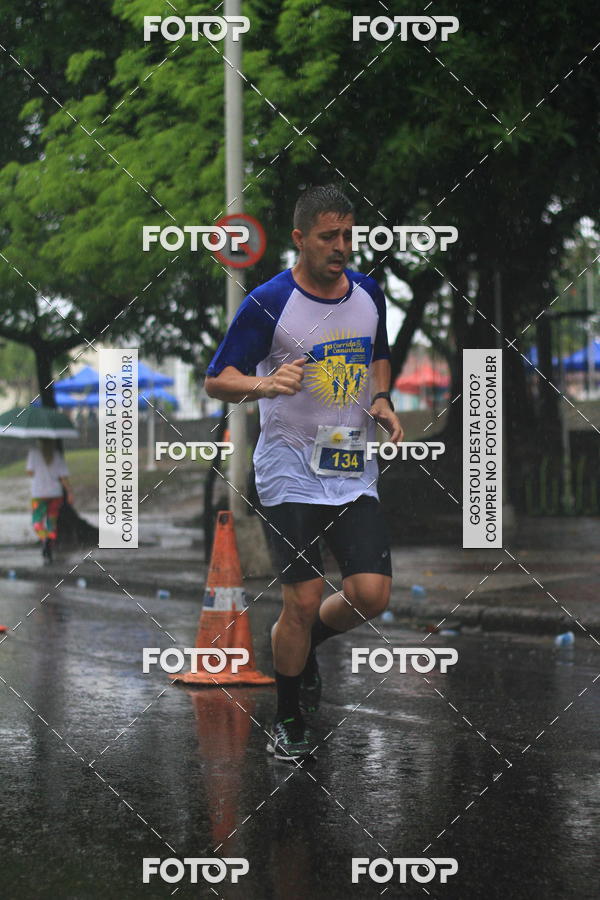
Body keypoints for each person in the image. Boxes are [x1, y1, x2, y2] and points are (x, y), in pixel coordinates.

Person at [205, 184, 403, 762]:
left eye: (348, 234)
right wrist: (265, 383)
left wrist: (384, 398)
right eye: (328, 237)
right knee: (303, 596)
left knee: (372, 593)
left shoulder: (367, 291)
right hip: (288, 468)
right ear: (300, 239)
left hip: (348, 460)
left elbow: (378, 351)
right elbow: (218, 377)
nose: (341, 246)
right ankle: (289, 716)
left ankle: (305, 644)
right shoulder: (269, 302)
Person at [26, 439, 73, 564]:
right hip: (55, 493)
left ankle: (44, 538)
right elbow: (63, 477)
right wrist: (69, 492)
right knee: (52, 522)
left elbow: (30, 472)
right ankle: (50, 545)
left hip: (39, 493)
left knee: (37, 521)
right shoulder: (57, 455)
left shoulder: (34, 453)